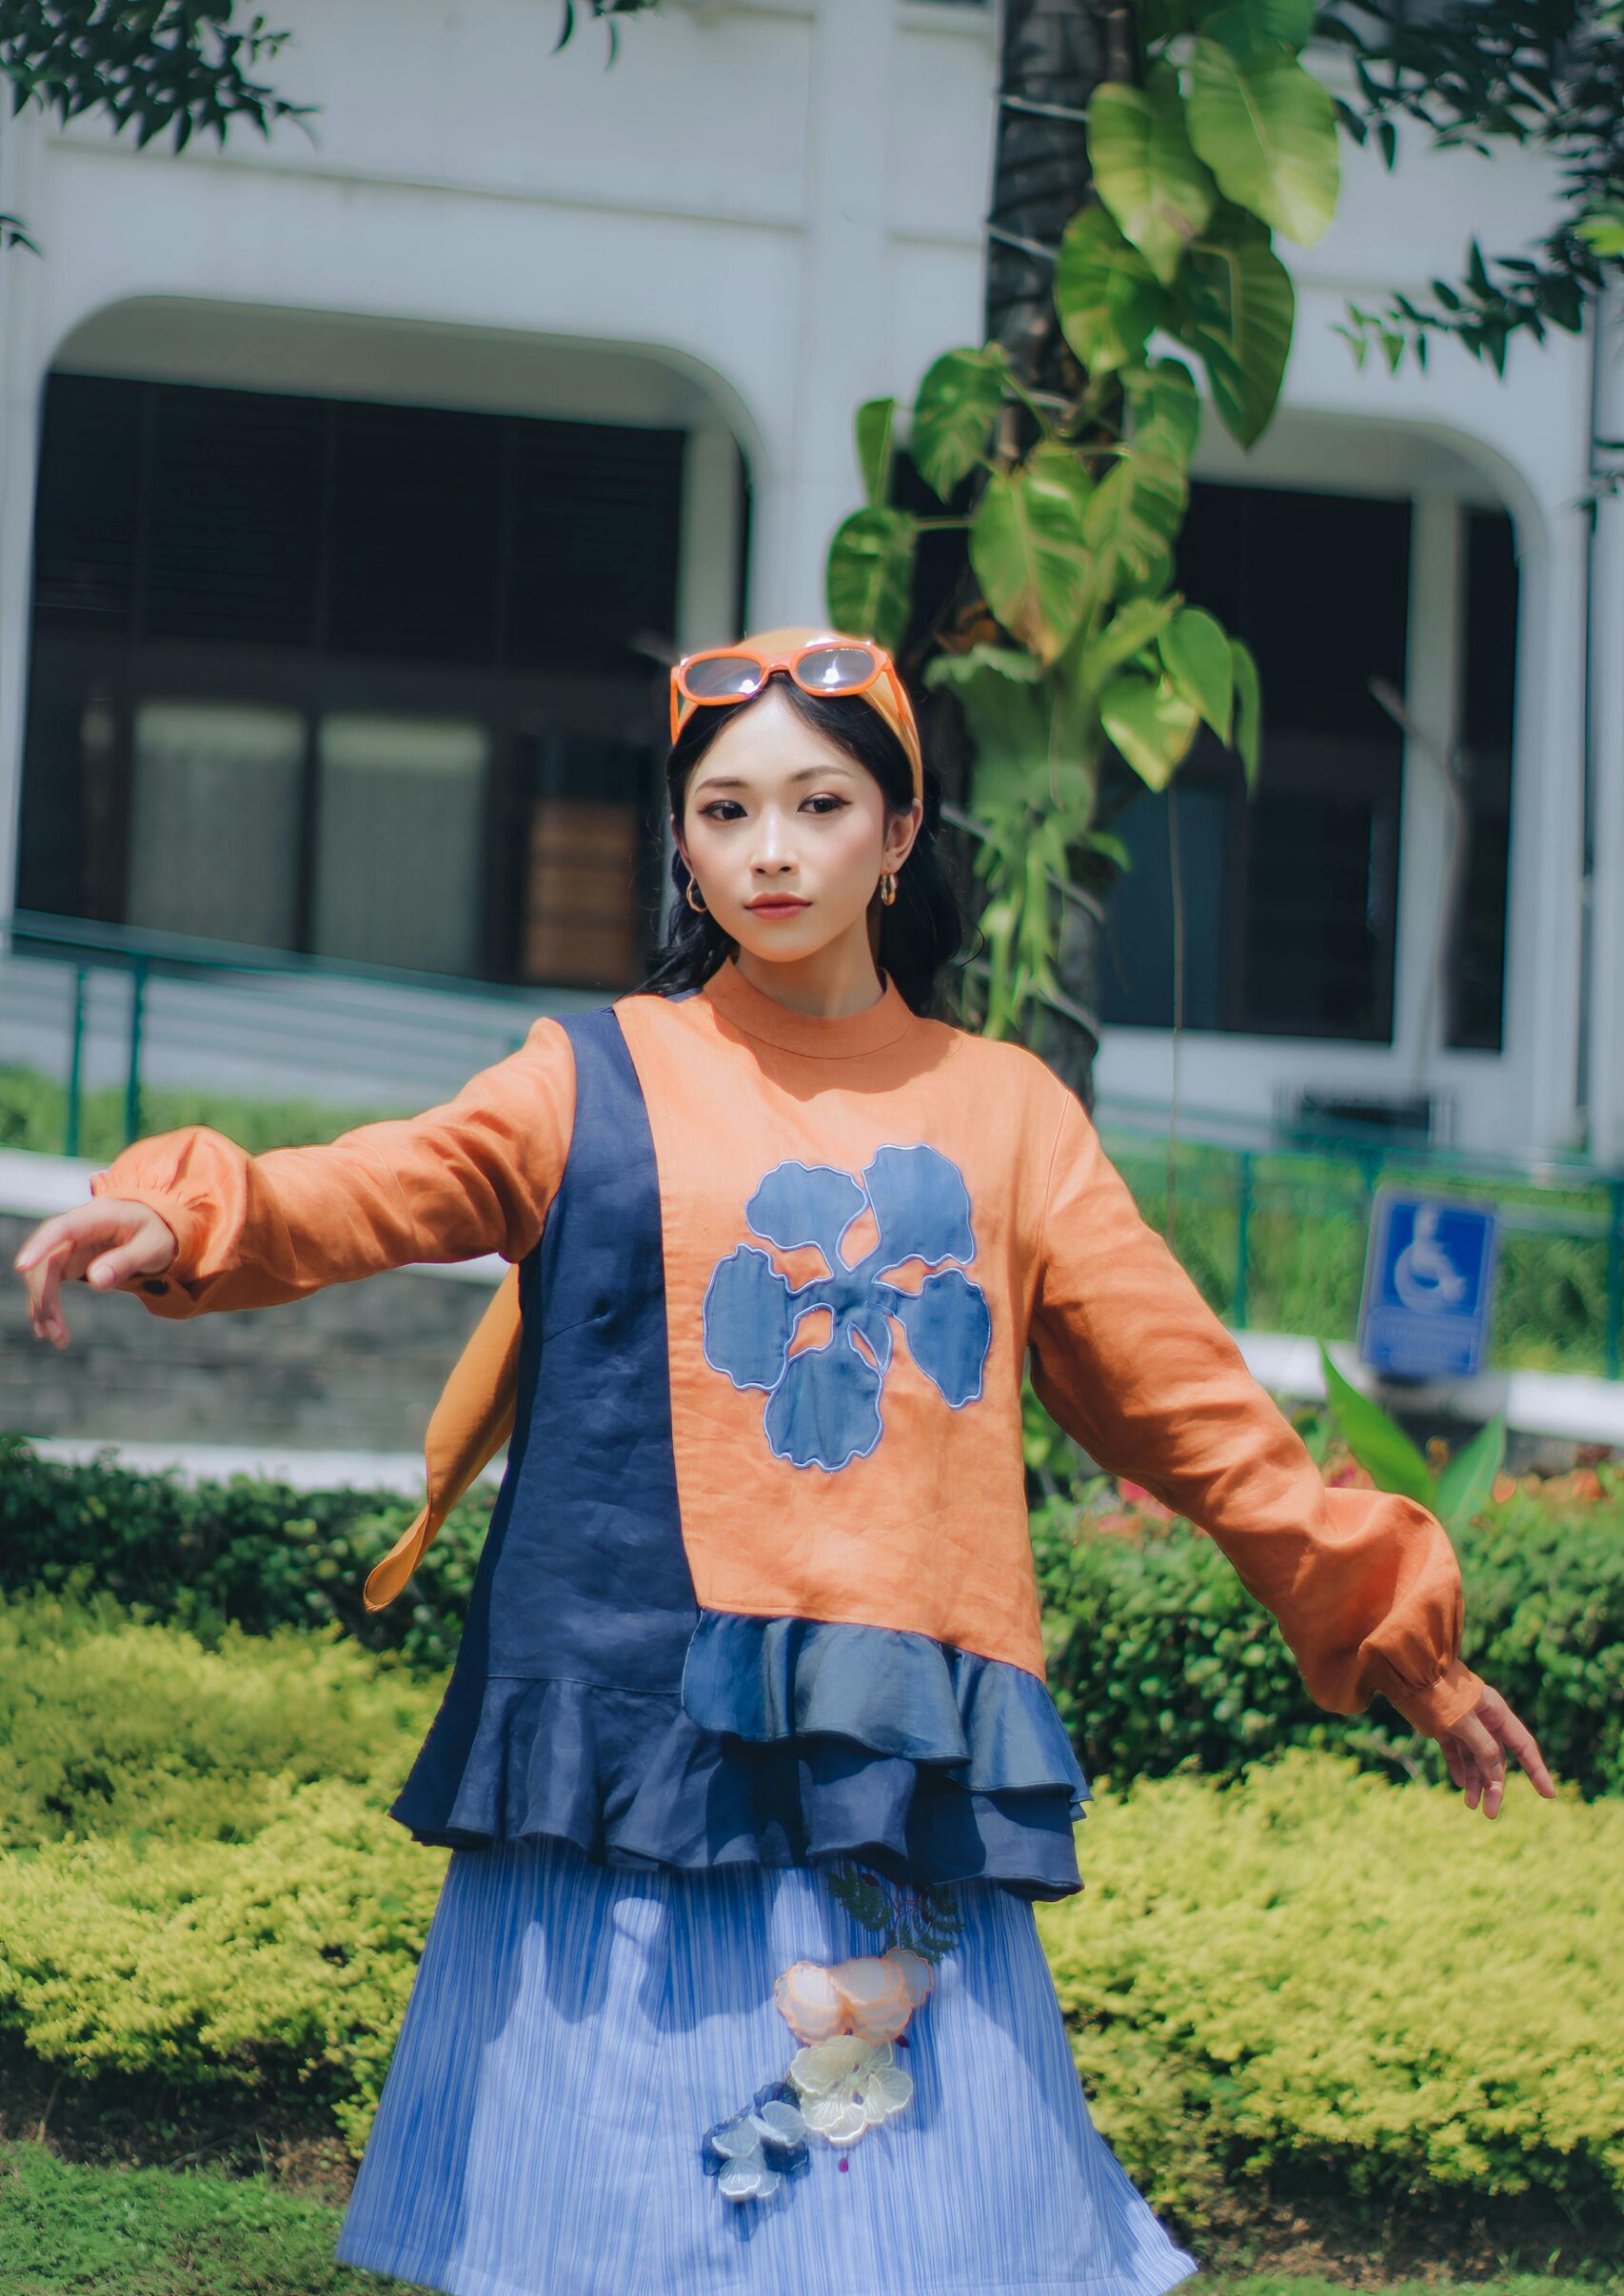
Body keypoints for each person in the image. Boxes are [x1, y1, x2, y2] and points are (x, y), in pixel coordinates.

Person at [16, 625, 1553, 2296]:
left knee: (901, 2234)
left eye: (817, 804)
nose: (768, 850)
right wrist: (189, 1209)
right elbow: (383, 1184)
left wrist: (1388, 1617)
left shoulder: (1007, 1111)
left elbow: (1189, 1407)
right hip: (625, 1721)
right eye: (723, 809)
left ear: (897, 837)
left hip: (881, 1754)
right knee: (601, 2230)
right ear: (679, 841)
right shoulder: (590, 1072)